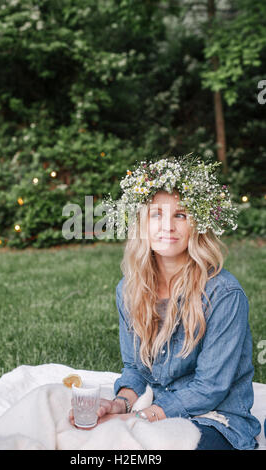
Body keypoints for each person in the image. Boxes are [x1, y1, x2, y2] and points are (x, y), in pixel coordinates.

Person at [69, 155, 261, 450]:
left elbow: (210, 388)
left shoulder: (223, 294)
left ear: (198, 224)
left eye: (180, 215)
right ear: (142, 222)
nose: (167, 226)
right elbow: (134, 367)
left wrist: (141, 419)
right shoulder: (129, 290)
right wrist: (119, 405)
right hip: (162, 412)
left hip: (215, 419)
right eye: (156, 214)